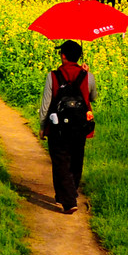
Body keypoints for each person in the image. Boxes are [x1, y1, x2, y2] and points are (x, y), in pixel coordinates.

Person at [36, 39, 97, 214]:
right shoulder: (88, 76)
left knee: (60, 161)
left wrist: (42, 125)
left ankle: (68, 200)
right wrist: (86, 76)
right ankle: (67, 193)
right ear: (78, 57)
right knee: (76, 160)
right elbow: (93, 97)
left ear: (63, 56)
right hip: (80, 125)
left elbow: (46, 104)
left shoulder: (52, 76)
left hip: (58, 127)